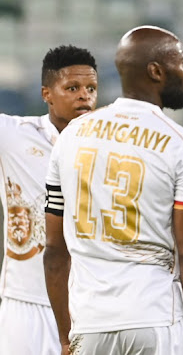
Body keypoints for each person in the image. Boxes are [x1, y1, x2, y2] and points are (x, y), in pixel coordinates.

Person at [43, 26, 183, 355]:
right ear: (155, 71)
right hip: (154, 318)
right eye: (181, 61)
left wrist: (66, 335)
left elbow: (54, 250)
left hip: (89, 325)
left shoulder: (71, 136)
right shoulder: (181, 144)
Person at [0, 45, 98, 355]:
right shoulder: (13, 134)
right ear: (47, 93)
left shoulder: (111, 146)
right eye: (72, 88)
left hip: (87, 307)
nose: (85, 96)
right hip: (24, 304)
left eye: (91, 88)